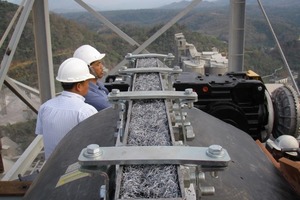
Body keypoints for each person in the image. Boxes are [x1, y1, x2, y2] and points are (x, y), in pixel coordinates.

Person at [35, 57, 98, 159]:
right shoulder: (86, 111)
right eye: (87, 82)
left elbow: (44, 133)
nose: (89, 85)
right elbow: (96, 142)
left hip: (50, 169)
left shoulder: (45, 107)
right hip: (76, 171)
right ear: (79, 86)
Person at [73, 44, 111, 111]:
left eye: (100, 63)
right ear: (86, 68)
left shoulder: (98, 84)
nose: (101, 67)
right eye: (97, 64)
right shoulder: (87, 93)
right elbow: (112, 107)